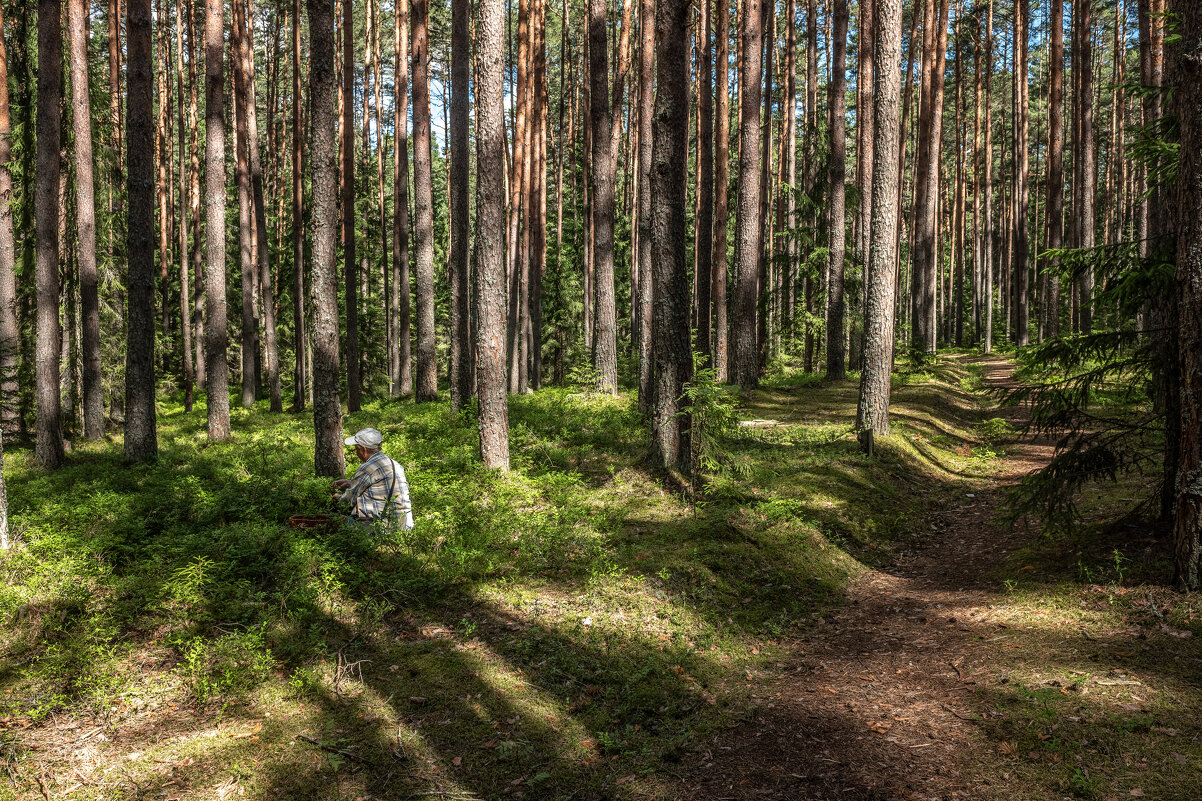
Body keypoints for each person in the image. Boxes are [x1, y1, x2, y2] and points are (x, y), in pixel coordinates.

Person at [330, 428, 415, 530]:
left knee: (331, 518)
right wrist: (351, 483)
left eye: (356, 449)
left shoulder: (368, 468)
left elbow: (348, 500)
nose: (356, 453)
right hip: (405, 526)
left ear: (364, 449)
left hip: (381, 529)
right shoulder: (395, 464)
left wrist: (336, 496)